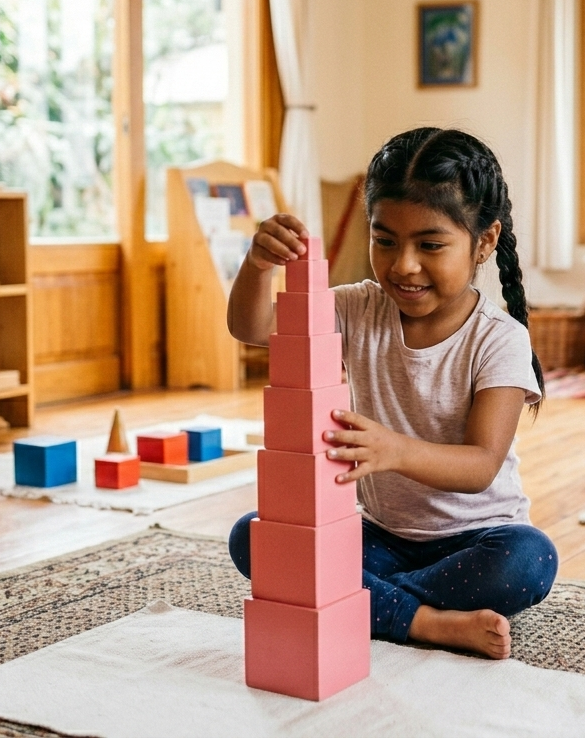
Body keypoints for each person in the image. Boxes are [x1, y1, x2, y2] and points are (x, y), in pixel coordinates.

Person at [226, 127, 556, 659]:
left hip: (475, 539)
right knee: (255, 536)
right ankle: (427, 622)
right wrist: (258, 265)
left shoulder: (499, 339)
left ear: (484, 241)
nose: (403, 265)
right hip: (379, 537)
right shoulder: (358, 307)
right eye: (385, 241)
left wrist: (394, 450)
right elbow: (253, 326)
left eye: (430, 245)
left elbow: (480, 465)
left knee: (530, 560)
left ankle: (365, 603)